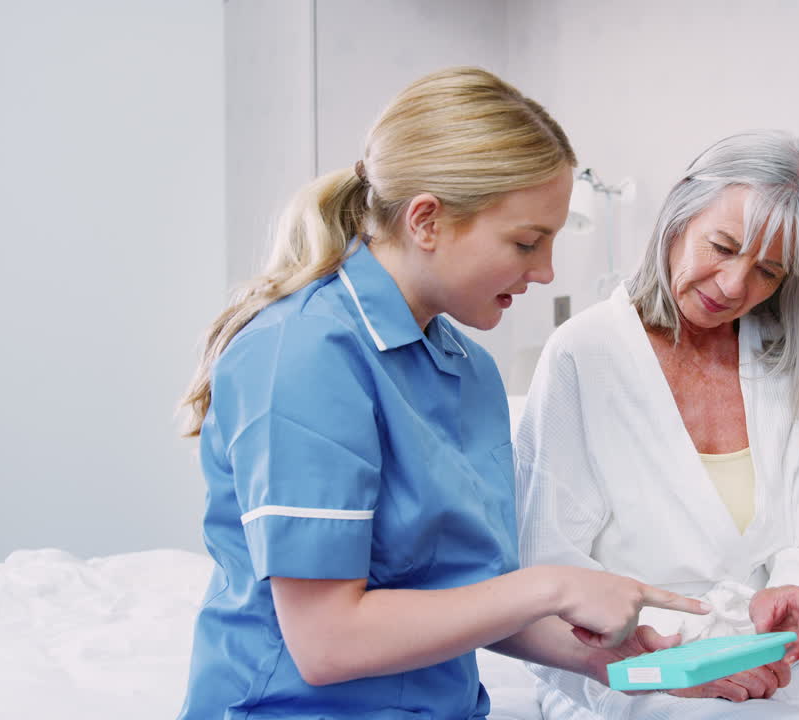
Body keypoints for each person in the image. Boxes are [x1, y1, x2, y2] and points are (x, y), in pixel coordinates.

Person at [174, 67, 708, 720]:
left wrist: (613, 660)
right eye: (526, 242)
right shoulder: (306, 353)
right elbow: (326, 642)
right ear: (426, 220)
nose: (544, 272)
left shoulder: (468, 371)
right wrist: (552, 586)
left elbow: (461, 597)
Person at [514, 129, 799, 717]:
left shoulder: (792, 366)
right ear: (680, 212)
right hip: (635, 661)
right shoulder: (585, 353)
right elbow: (548, 562)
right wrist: (688, 651)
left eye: (768, 271)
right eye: (724, 245)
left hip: (768, 659)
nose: (735, 286)